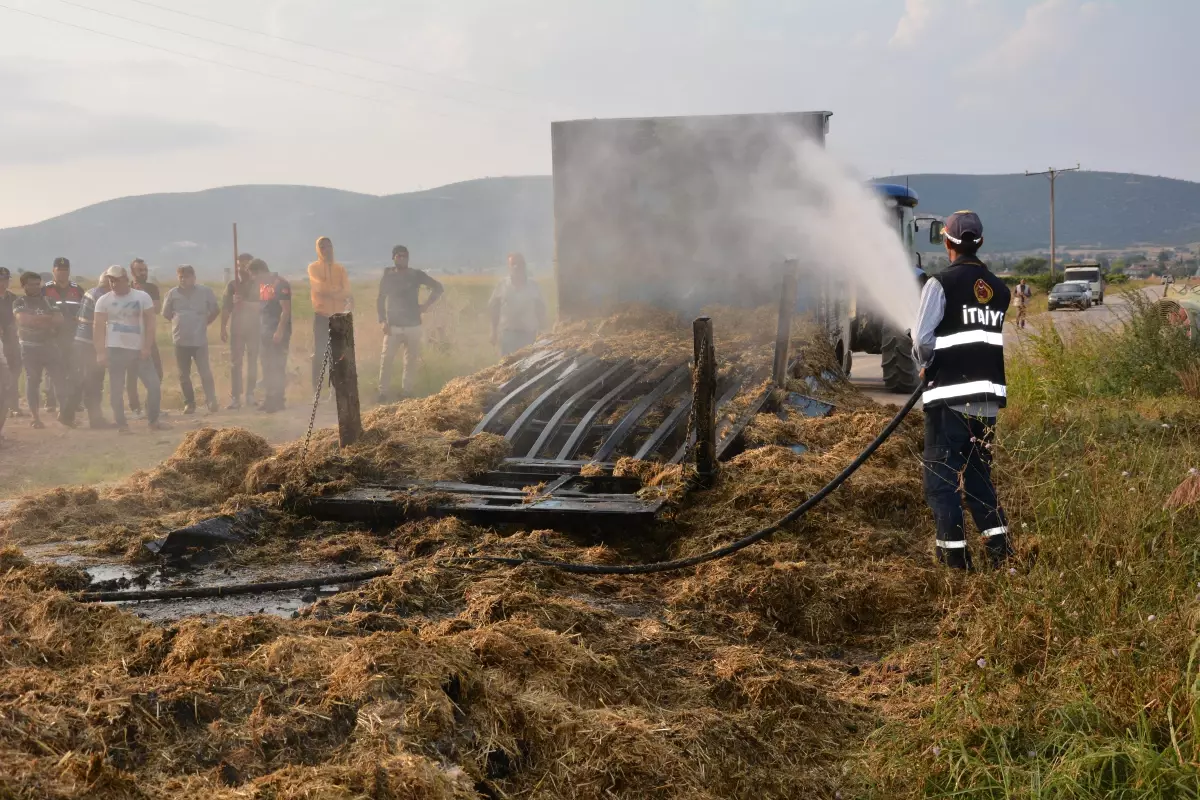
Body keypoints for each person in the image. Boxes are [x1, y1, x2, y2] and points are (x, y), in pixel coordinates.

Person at [912, 210, 1013, 571]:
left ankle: (956, 563)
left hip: (948, 401)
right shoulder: (1000, 290)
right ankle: (1002, 555)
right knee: (978, 480)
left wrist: (925, 364)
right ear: (980, 242)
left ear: (946, 241)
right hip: (986, 405)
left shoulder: (939, 284)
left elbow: (923, 339)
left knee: (940, 483)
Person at [94, 265, 169, 433]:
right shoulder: (104, 300)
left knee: (154, 385)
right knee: (116, 388)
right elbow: (98, 327)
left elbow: (150, 323)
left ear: (125, 279)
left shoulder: (142, 297)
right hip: (115, 349)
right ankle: (122, 425)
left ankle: (153, 421)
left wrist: (147, 346)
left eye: (116, 280)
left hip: (138, 349)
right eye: (110, 280)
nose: (113, 284)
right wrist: (100, 352)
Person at [376, 245, 443, 402]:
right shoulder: (388, 276)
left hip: (413, 324)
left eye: (405, 256)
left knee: (411, 360)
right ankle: (383, 392)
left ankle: (407, 392)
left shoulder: (416, 275)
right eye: (399, 256)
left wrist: (426, 305)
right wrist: (382, 320)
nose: (402, 258)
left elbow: (438, 287)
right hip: (393, 325)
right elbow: (380, 299)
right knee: (386, 359)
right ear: (393, 258)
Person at [13, 271, 68, 429]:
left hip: (49, 345)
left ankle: (63, 413)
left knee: (59, 379)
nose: (36, 287)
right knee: (33, 381)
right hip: (29, 347)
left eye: (38, 284)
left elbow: (60, 320)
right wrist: (47, 319)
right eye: (31, 284)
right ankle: (35, 417)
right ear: (23, 286)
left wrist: (36, 321)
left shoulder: (49, 300)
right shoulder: (19, 302)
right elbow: (23, 320)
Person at [163, 265, 220, 414]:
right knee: (183, 374)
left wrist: (204, 322)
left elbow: (215, 310)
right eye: (181, 276)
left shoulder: (205, 292)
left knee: (205, 371)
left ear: (194, 277)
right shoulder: (172, 294)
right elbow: (166, 313)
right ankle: (189, 403)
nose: (183, 279)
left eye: (187, 276)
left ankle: (211, 400)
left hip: (199, 339)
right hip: (180, 340)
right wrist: (180, 322)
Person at [64, 272, 115, 429]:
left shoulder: (91, 293)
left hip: (83, 341)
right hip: (90, 343)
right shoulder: (102, 297)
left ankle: (69, 415)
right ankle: (92, 418)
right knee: (91, 382)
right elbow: (100, 323)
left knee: (84, 381)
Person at [307, 236, 351, 392]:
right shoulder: (313, 268)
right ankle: (316, 389)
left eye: (329, 246)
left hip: (338, 316)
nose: (326, 249)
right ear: (318, 250)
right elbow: (318, 288)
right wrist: (336, 291)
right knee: (319, 353)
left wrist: (332, 292)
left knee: (338, 352)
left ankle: (336, 389)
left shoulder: (340, 269)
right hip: (322, 315)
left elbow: (347, 291)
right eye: (323, 246)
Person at [43, 257, 85, 419]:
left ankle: (75, 401)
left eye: (65, 270)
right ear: (53, 270)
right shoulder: (44, 290)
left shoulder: (77, 289)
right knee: (52, 369)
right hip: (51, 335)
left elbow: (84, 309)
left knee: (74, 368)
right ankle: (51, 400)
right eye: (59, 270)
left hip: (73, 335)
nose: (62, 273)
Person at [249, 259, 292, 413]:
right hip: (265, 331)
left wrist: (279, 331)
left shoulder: (280, 284)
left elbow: (285, 310)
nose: (253, 279)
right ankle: (269, 399)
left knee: (277, 365)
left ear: (261, 271)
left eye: (254, 275)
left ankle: (278, 400)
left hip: (278, 331)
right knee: (267, 365)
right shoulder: (265, 286)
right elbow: (264, 309)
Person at [220, 252, 261, 409]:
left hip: (254, 328)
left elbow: (264, 307)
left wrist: (244, 302)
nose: (242, 268)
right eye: (239, 264)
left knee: (252, 361)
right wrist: (223, 327)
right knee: (235, 363)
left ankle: (250, 394)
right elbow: (226, 307)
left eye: (245, 264)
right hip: (237, 328)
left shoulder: (260, 283)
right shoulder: (232, 285)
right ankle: (236, 397)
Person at [489, 253, 546, 357]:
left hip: (529, 335)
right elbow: (494, 307)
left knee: (529, 367)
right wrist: (493, 331)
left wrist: (542, 330)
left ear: (524, 266)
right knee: (507, 368)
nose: (516, 267)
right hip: (508, 335)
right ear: (509, 267)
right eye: (513, 264)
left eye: (519, 264)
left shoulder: (533, 286)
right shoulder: (502, 285)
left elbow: (540, 309)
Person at [127, 258, 163, 418]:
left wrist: (142, 295)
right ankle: (135, 408)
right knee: (132, 374)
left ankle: (152, 407)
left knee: (157, 372)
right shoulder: (125, 288)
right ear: (132, 272)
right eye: (140, 270)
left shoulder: (152, 288)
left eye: (145, 270)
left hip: (148, 336)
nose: (143, 273)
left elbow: (156, 308)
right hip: (129, 336)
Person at [0, 268, 20, 417]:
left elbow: (18, 317)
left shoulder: (14, 299)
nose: (2, 283)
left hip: (11, 341)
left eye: (5, 280)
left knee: (14, 373)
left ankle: (13, 405)